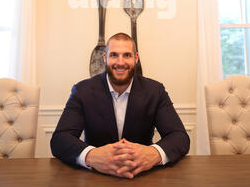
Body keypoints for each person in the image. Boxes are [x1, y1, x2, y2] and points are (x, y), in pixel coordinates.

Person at [50, 32, 190, 179]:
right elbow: (60, 139)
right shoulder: (82, 91)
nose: (121, 62)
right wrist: (91, 156)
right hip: (95, 178)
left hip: (143, 178)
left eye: (127, 55)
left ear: (136, 58)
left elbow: (179, 137)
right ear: (105, 58)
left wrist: (154, 154)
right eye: (114, 55)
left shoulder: (155, 91)